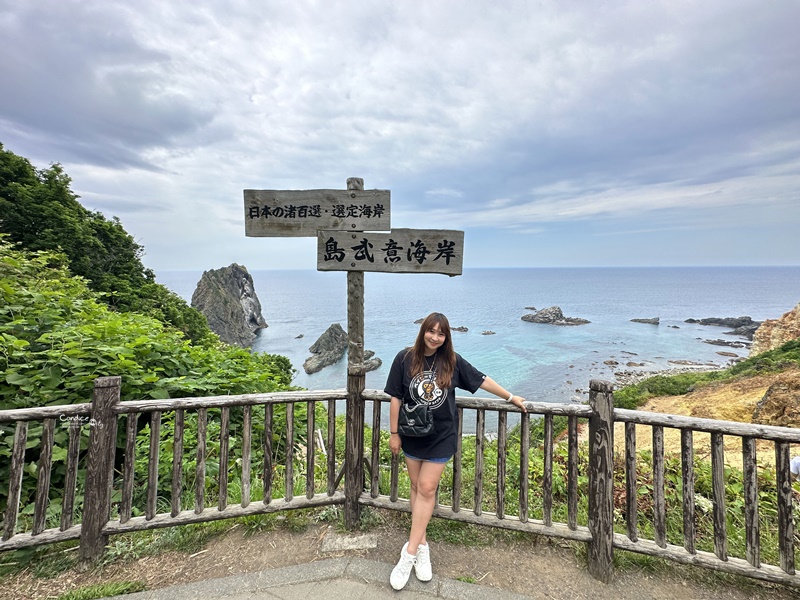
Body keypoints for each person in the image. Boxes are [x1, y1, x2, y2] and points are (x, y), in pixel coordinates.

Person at [383, 312, 527, 590]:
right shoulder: (404, 358)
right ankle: (422, 545)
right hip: (412, 433)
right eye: (431, 331)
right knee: (415, 486)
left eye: (441, 333)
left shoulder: (451, 361)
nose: (435, 337)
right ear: (423, 330)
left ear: (446, 337)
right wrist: (393, 433)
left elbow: (480, 380)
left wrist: (510, 397)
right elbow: (395, 396)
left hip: (442, 434)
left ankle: (408, 554)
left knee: (426, 487)